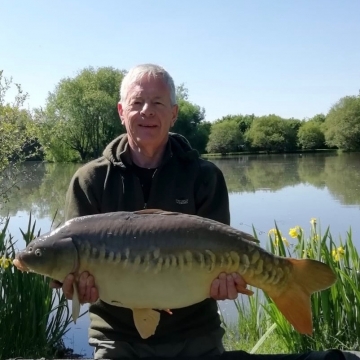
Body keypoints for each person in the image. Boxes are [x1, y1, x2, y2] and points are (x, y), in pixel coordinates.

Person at [51, 63, 352, 360]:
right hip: (117, 338)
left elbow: (221, 253)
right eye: (137, 103)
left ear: (174, 114)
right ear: (121, 112)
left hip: (196, 334)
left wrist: (226, 284)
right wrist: (77, 289)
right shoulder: (90, 180)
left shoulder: (204, 176)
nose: (147, 111)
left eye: (158, 103)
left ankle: (286, 280)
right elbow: (71, 271)